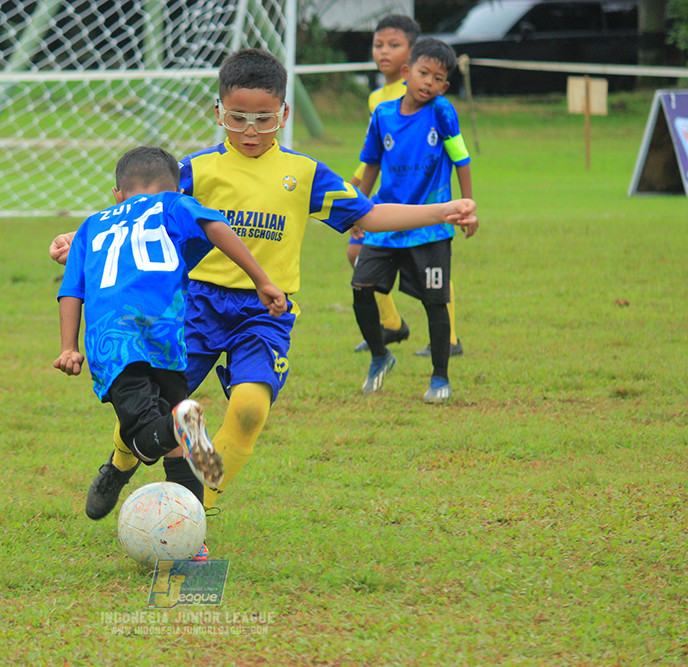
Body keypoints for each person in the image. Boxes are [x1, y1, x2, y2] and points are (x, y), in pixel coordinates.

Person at [51, 49, 477, 523]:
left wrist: (444, 210)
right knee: (163, 407)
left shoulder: (306, 173)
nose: (251, 130)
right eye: (237, 119)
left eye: (263, 119)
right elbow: (132, 214)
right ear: (218, 114)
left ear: (284, 114)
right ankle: (120, 464)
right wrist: (78, 238)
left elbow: (370, 214)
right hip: (193, 307)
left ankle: (197, 507)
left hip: (263, 310)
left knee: (251, 408)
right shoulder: (196, 171)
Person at [54, 147, 287, 557]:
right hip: (165, 331)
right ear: (177, 186)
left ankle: (175, 438)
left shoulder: (91, 226)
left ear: (116, 194)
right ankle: (192, 539)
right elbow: (217, 226)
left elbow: (71, 290)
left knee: (147, 433)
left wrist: (69, 347)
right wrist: (262, 279)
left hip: (114, 337)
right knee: (181, 445)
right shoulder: (176, 203)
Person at [353, 37, 476, 404]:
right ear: (407, 73)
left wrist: (468, 206)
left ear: (445, 86)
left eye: (439, 79)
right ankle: (380, 355)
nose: (429, 83)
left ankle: (440, 378)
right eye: (424, 73)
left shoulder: (442, 111)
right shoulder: (383, 115)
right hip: (386, 222)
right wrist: (359, 209)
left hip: (432, 226)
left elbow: (462, 158)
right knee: (361, 287)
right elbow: (371, 164)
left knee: (435, 303)